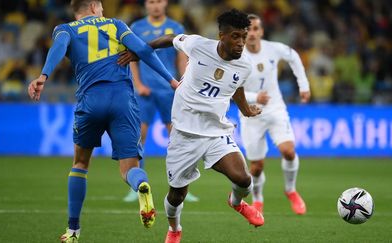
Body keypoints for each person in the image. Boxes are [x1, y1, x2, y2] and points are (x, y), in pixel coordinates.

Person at [27, 0, 179, 242]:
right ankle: (141, 185)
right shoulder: (116, 25)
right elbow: (144, 50)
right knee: (130, 169)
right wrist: (171, 80)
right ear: (95, 7)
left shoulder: (66, 29)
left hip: (90, 101)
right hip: (122, 102)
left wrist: (43, 75)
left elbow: (59, 47)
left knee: (80, 164)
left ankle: (73, 230)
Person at [139, 9, 264, 243]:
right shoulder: (197, 45)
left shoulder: (244, 65)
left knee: (244, 179)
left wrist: (246, 110)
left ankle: (236, 202)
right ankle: (175, 229)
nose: (240, 43)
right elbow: (169, 39)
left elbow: (236, 86)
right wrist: (142, 50)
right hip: (184, 134)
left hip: (216, 131)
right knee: (177, 195)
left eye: (244, 37)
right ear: (222, 35)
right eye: (235, 36)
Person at [123, 0, 199, 203]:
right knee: (139, 136)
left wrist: (183, 82)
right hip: (145, 90)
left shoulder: (176, 28)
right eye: (151, 2)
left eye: (159, 1)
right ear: (146, 5)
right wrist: (138, 84)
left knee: (178, 137)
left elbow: (182, 58)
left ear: (165, 3)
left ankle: (182, 186)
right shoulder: (137, 27)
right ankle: (136, 185)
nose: (155, 5)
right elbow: (132, 58)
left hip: (169, 89)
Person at [239, 14, 311, 215]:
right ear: (242, 32)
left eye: (255, 29)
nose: (251, 33)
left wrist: (303, 86)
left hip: (275, 109)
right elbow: (232, 89)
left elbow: (294, 57)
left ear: (261, 31)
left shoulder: (273, 48)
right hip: (250, 114)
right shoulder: (237, 56)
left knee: (289, 151)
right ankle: (258, 199)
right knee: (257, 166)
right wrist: (254, 97)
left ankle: (291, 190)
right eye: (247, 29)